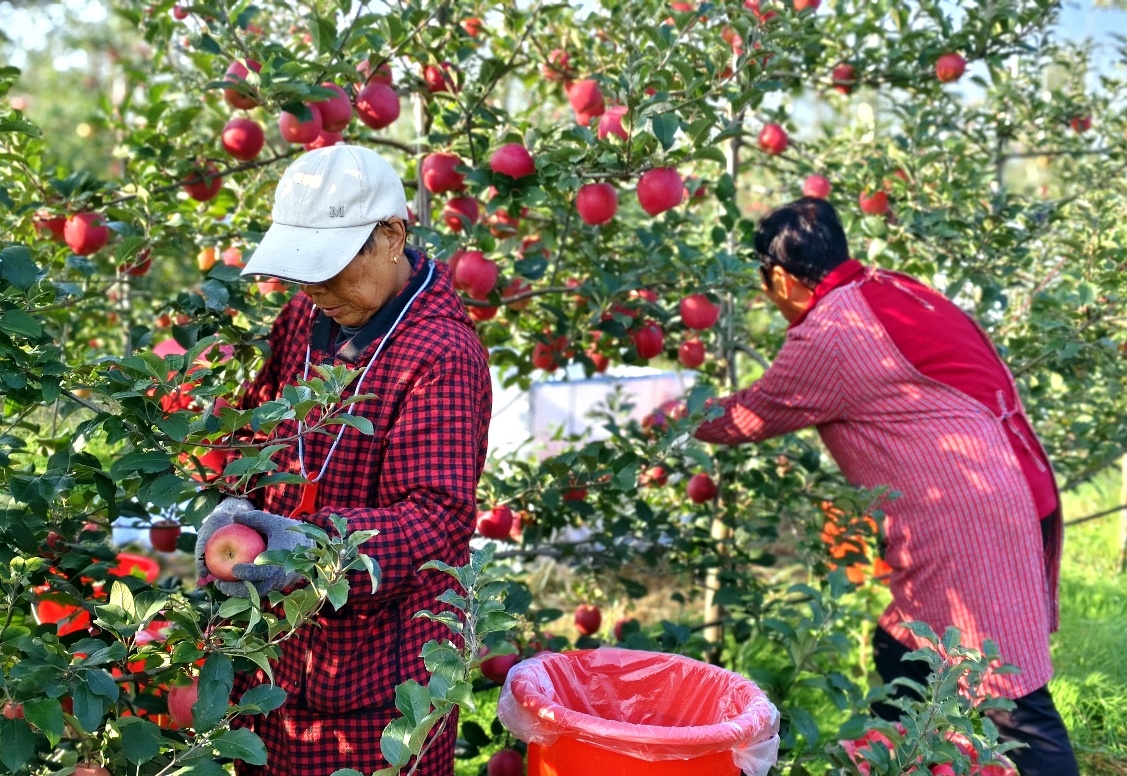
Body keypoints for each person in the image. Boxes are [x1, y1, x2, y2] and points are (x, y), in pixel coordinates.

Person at [694, 198, 1078, 776]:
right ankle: (917, 761)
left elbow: (748, 416)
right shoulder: (889, 288)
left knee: (1011, 697)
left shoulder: (833, 331)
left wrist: (674, 414)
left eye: (764, 284)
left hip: (973, 518)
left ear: (778, 277)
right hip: (1011, 487)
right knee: (902, 650)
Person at [193, 144, 493, 776]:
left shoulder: (440, 354)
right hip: (275, 654)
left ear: (392, 234)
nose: (315, 287)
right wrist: (234, 496)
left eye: (330, 267)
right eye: (305, 269)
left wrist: (307, 551)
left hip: (378, 687)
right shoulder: (305, 313)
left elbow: (436, 518)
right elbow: (262, 425)